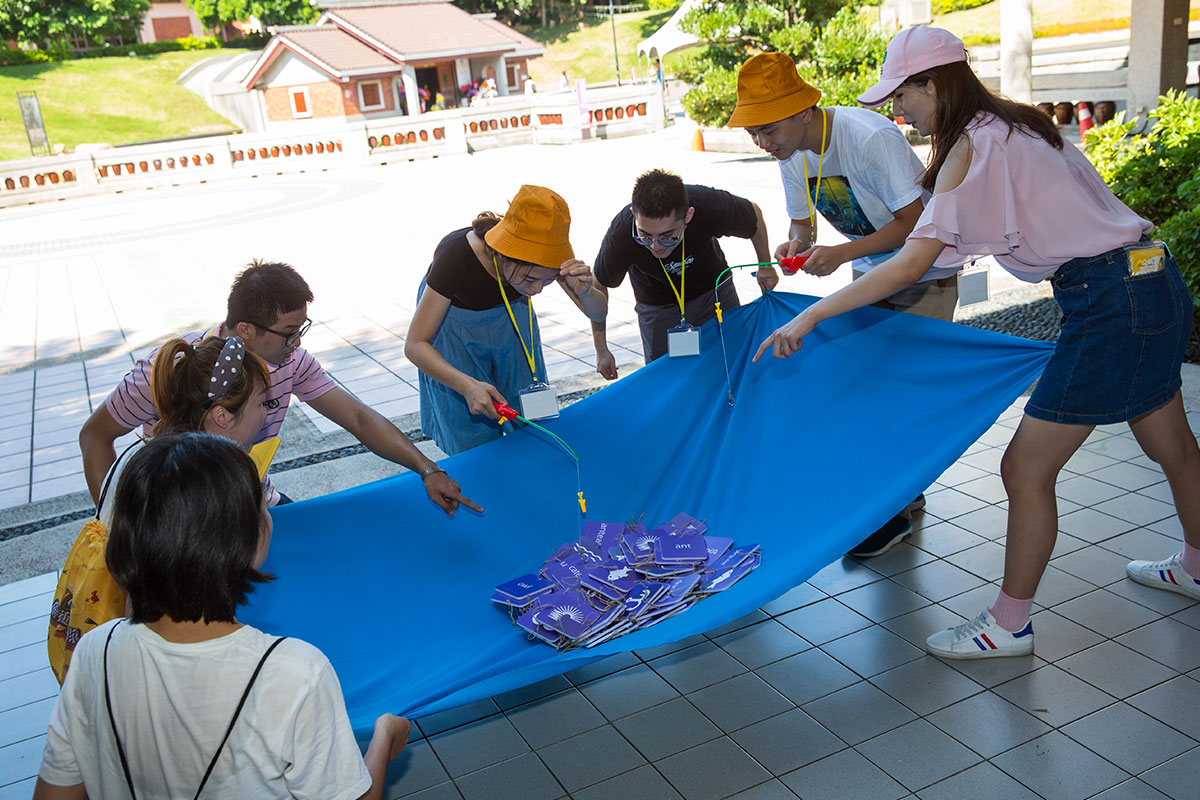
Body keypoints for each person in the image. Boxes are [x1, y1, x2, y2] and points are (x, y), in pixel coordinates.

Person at [752, 26, 1200, 659]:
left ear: (935, 84)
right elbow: (937, 256)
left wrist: (810, 318)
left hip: (1108, 299)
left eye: (903, 96)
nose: (895, 111)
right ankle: (1197, 565)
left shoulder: (972, 144)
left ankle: (1009, 625)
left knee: (1023, 467)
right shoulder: (1020, 125)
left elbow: (913, 263)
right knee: (1173, 446)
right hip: (1153, 277)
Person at [34, 433, 411, 799]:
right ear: (251, 540)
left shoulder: (94, 650)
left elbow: (56, 790)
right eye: (260, 503)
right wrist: (383, 735)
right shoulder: (296, 672)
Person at [728, 51, 969, 558]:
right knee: (869, 393)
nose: (761, 142)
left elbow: (914, 223)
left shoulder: (868, 137)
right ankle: (898, 498)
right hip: (869, 280)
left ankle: (889, 514)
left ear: (801, 111)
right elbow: (802, 223)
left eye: (767, 129)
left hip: (923, 276)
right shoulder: (791, 154)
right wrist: (796, 245)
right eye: (752, 132)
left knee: (895, 398)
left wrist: (843, 254)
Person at [78, 260, 479, 515]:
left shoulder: (287, 360)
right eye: (288, 333)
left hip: (252, 501)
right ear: (246, 330)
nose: (298, 344)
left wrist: (427, 469)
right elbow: (94, 436)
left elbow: (357, 416)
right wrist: (114, 529)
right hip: (185, 516)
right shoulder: (171, 372)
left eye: (301, 329)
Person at [405, 185, 607, 455]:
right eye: (531, 279)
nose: (537, 290)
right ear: (504, 253)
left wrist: (585, 291)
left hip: (511, 317)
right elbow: (415, 344)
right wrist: (466, 385)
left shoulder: (546, 256)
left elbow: (598, 313)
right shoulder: (455, 256)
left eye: (548, 280)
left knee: (530, 412)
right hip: (453, 322)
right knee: (471, 428)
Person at [592, 168, 773, 377]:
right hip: (657, 304)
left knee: (733, 360)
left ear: (688, 216)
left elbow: (754, 215)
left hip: (713, 290)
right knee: (665, 376)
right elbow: (598, 284)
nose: (656, 246)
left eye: (668, 235)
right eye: (645, 235)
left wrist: (765, 266)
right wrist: (601, 348)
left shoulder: (708, 204)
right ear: (634, 215)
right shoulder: (622, 231)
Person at [97, 335, 270, 529]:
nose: (266, 412)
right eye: (261, 403)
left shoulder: (144, 453)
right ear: (222, 416)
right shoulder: (209, 479)